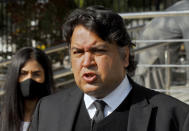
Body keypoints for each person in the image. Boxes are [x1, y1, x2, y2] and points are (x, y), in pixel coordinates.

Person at [29, 6, 189, 131]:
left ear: (125, 56)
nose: (86, 62)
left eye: (98, 51)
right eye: (77, 52)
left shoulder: (174, 116)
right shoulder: (47, 110)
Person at [136, 0, 189, 88]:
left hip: (150, 46)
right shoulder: (186, 11)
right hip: (153, 51)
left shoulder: (184, 5)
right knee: (154, 92)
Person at [0, 47, 54, 131]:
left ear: (46, 77)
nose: (29, 79)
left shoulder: (56, 115)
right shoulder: (3, 118)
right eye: (23, 73)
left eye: (36, 74)